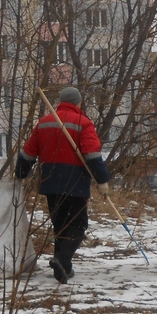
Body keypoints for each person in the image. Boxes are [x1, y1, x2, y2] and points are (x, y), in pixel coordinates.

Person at [15, 87, 110, 284]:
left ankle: (63, 268)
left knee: (60, 224)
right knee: (77, 224)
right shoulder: (83, 123)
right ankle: (61, 259)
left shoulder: (44, 123)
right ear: (78, 103)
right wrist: (102, 180)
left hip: (51, 181)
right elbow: (92, 155)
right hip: (75, 181)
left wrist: (21, 173)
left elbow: (28, 153)